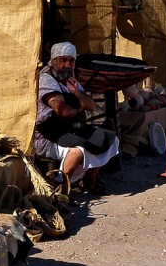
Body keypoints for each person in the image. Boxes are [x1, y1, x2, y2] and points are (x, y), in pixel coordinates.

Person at [32, 41, 120, 194]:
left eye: (71, 61)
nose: (67, 65)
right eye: (63, 60)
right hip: (47, 136)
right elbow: (62, 111)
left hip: (67, 130)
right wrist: (80, 106)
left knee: (110, 139)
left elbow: (91, 105)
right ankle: (61, 187)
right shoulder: (46, 80)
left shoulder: (69, 78)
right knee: (78, 150)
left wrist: (76, 92)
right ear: (53, 61)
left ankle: (88, 181)